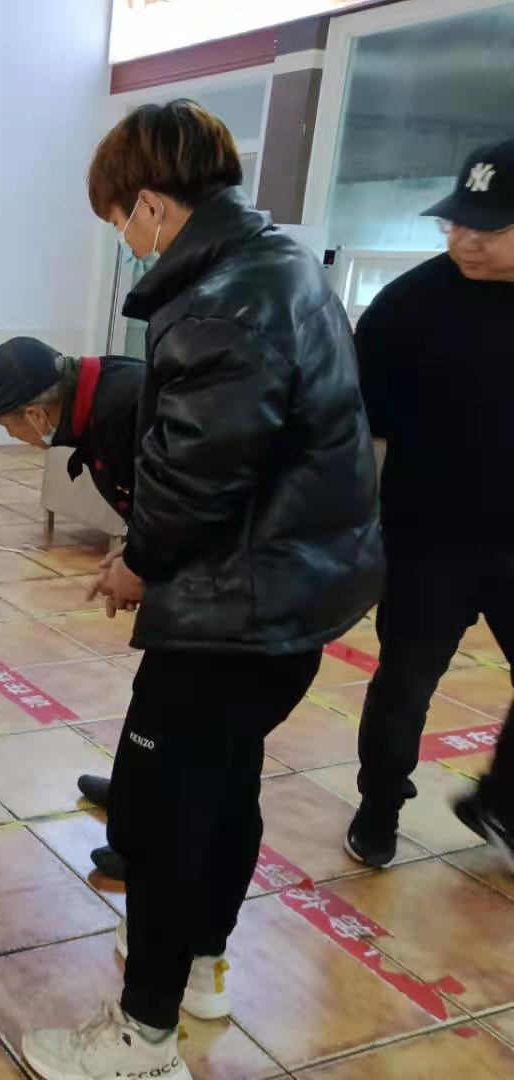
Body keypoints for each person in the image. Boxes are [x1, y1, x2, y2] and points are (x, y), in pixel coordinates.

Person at [19, 100, 383, 1080]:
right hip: (292, 594)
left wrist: (136, 562)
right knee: (225, 790)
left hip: (238, 605)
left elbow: (198, 472)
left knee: (168, 815)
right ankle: (204, 971)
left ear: (150, 204)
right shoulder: (282, 263)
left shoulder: (223, 299)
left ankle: (140, 1037)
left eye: (119, 221)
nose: (126, 242)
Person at [346, 138, 514, 872]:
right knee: (405, 685)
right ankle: (379, 806)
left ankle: (499, 803)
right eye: (456, 222)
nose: (465, 240)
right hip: (429, 540)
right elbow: (362, 424)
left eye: (489, 227)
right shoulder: (408, 305)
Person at [0, 335, 144, 881]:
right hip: (181, 564)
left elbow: (188, 498)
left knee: (178, 708)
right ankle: (135, 793)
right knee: (154, 695)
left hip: (232, 589)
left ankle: (147, 846)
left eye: (6, 426)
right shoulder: (98, 401)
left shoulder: (126, 406)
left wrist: (141, 564)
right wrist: (131, 552)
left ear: (36, 414)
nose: (14, 438)